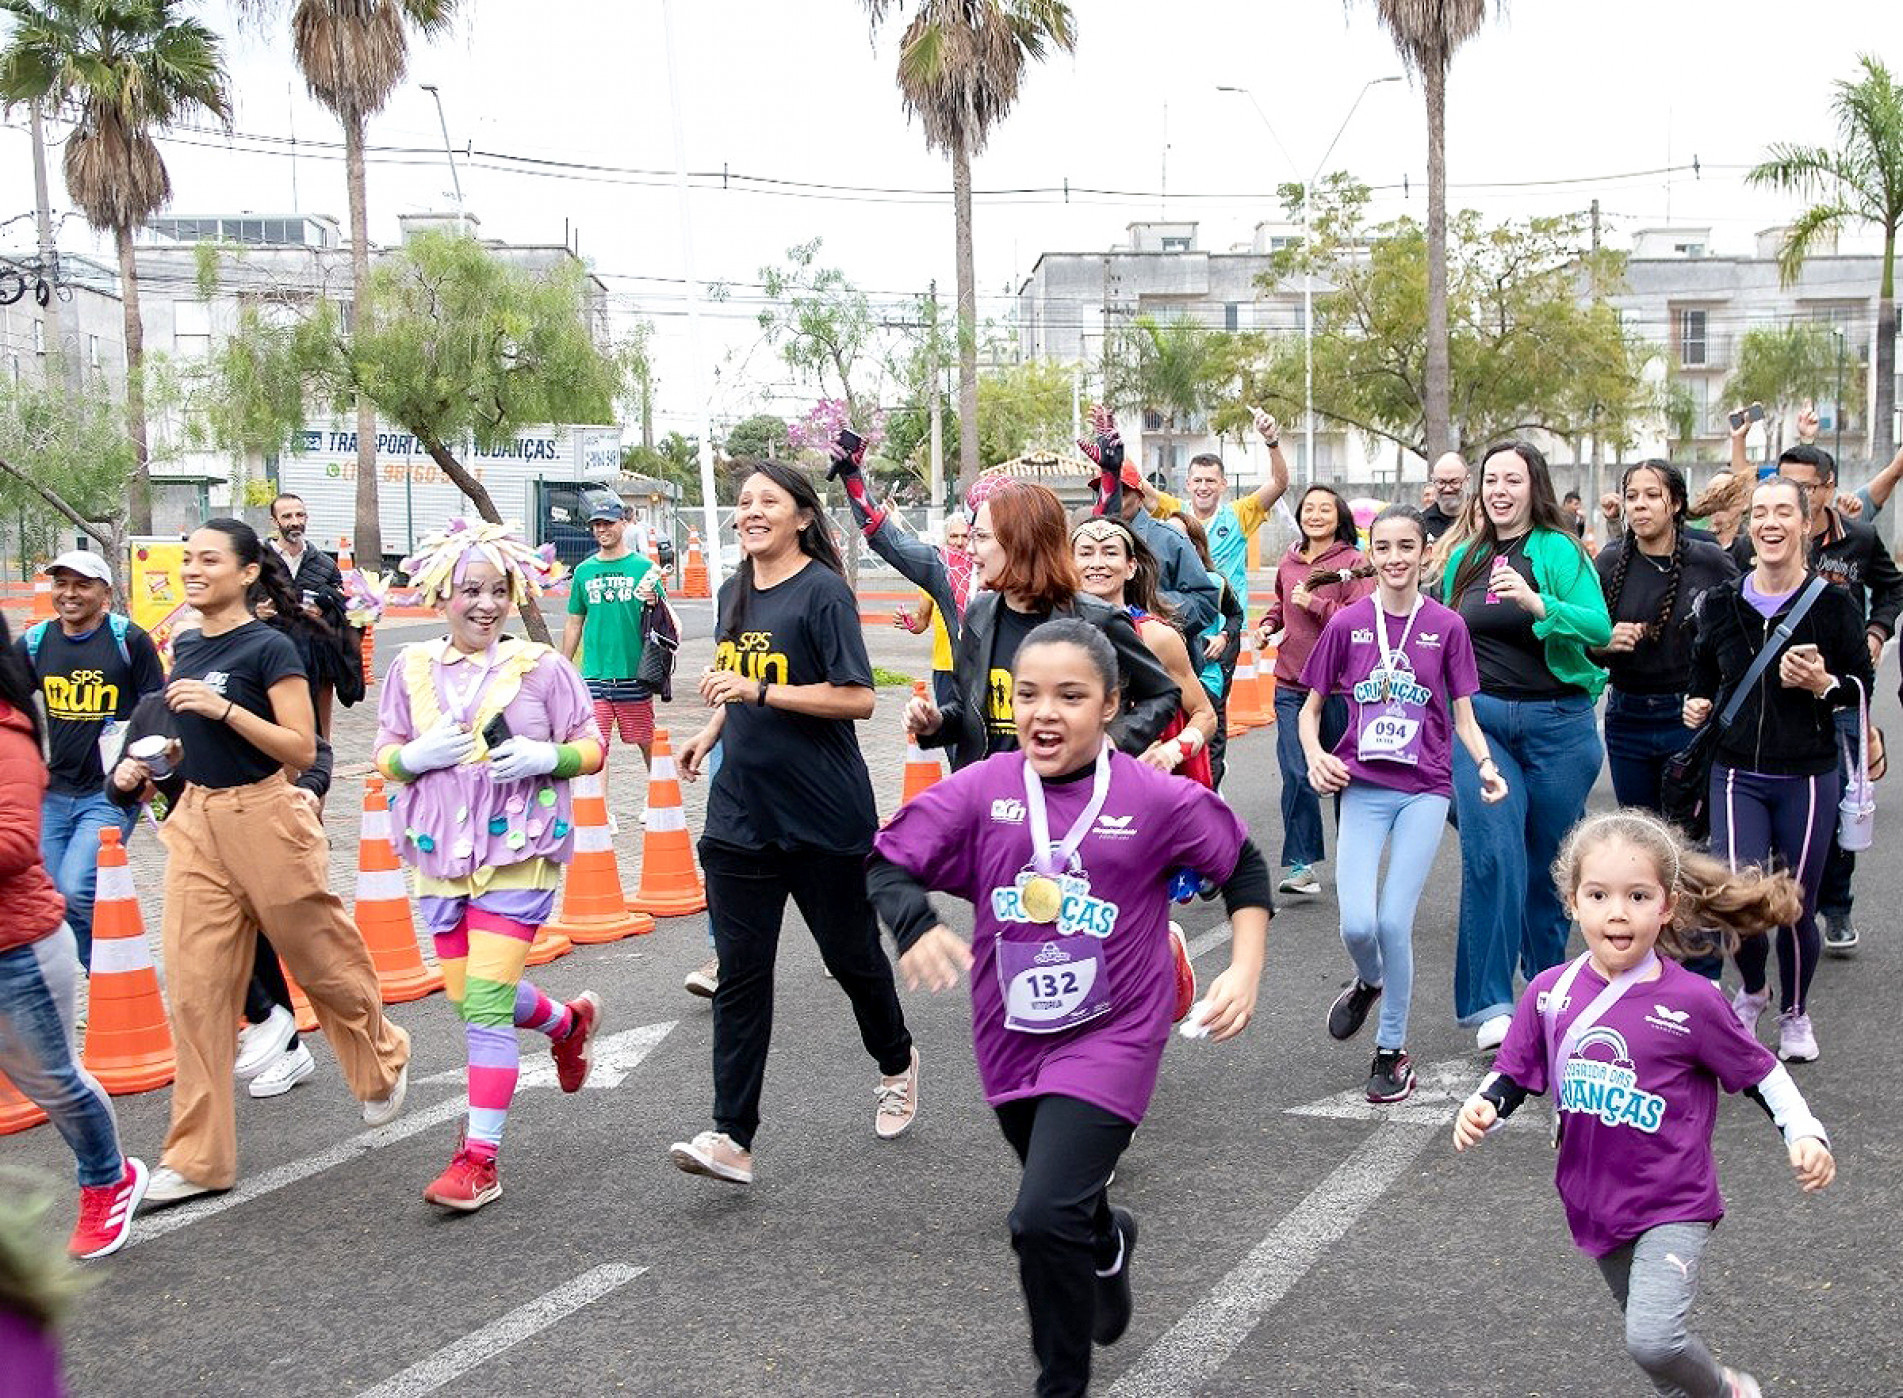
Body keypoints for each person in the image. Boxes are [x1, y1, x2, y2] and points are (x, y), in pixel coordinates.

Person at [867, 618, 1270, 1398]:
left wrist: (1244, 970)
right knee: (1064, 1207)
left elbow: (1242, 867)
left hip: (1115, 1031)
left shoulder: (1152, 798)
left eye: (1069, 696)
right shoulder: (984, 788)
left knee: (1037, 1217)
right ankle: (1107, 1241)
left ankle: (1061, 1383)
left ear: (1111, 704)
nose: (1043, 713)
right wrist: (913, 924)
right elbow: (887, 861)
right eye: (1026, 695)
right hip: (1010, 1031)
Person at [1454, 812, 1834, 1398]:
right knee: (1657, 1346)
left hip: (1673, 1201)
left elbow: (1762, 1073)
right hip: (1593, 1199)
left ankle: (1728, 1391)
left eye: (1637, 896)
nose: (1617, 912)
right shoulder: (1547, 991)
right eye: (1598, 895)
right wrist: (1484, 1106)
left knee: (1654, 1339)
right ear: (1573, 903)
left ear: (1667, 906)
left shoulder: (1693, 1000)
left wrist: (1804, 1132)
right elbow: (1514, 1072)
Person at [116, 518, 410, 1209]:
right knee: (195, 992)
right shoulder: (186, 645)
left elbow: (301, 749)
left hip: (267, 817)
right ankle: (197, 1158)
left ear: (246, 573)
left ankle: (382, 1060)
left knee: (323, 966)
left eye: (206, 560)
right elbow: (189, 738)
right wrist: (150, 764)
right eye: (186, 559)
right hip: (197, 824)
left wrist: (222, 710)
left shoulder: (268, 647)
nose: (191, 570)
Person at [669, 461, 921, 1187]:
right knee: (741, 979)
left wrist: (758, 689)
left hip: (821, 814)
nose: (750, 512)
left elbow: (857, 700)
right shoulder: (732, 592)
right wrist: (715, 726)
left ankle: (896, 1058)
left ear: (802, 516)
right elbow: (738, 678)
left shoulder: (823, 593)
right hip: (741, 815)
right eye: (743, 503)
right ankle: (731, 1136)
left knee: (851, 960)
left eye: (766, 502)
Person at [375, 518, 606, 1211]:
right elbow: (385, 752)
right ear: (442, 594)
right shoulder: (410, 668)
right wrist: (412, 759)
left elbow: (592, 746)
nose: (484, 604)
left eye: (497, 591)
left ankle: (478, 1160)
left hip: (520, 854)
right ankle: (568, 1024)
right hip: (438, 857)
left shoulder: (542, 667)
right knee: (472, 998)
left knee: (482, 1007)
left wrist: (550, 758)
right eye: (469, 590)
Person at [1300, 505, 1506, 1102]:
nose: (1395, 558)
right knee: (1357, 922)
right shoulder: (1346, 624)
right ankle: (1369, 982)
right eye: (1383, 547)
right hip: (1361, 787)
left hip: (1424, 787)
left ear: (1424, 554)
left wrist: (1488, 766)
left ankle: (1392, 1051)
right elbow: (1310, 712)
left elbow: (1463, 716)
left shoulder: (1447, 626)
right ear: (1371, 553)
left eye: (1406, 547)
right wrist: (1316, 755)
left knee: (1393, 922)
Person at [1685, 477, 1874, 1064]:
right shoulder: (1720, 605)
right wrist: (1694, 705)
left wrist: (1825, 686)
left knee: (1792, 904)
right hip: (1737, 772)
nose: (1769, 523)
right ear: (1748, 525)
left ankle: (1795, 1012)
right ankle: (1753, 989)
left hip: (1808, 777)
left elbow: (1858, 689)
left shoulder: (1833, 604)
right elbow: (1702, 684)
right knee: (1739, 898)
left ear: (1803, 522)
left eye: (1782, 513)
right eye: (1759, 513)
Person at [1441, 441, 1611, 1050]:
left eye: (1512, 479)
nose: (1498, 489)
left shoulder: (1558, 549)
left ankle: (1549, 988)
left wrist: (1538, 603)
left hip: (1557, 725)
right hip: (1480, 724)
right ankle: (1490, 1000)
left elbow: (1600, 628)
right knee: (1491, 852)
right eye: (1491, 479)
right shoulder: (1464, 556)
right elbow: (1436, 631)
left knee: (1549, 868)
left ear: (1532, 485)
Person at [0, 613, 147, 1259]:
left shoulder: (7, 735)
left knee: (54, 1082)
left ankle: (108, 1178)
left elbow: (11, 842)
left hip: (18, 951)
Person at [906, 482, 1179, 773]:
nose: (970, 550)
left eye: (982, 538)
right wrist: (934, 723)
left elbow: (1163, 694)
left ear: (1020, 542)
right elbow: (967, 711)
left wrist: (1112, 740)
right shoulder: (978, 615)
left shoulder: (1097, 620)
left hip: (1070, 801)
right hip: (993, 802)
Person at [1762, 444, 1902, 958]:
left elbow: (1892, 589)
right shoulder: (1768, 536)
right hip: (1775, 696)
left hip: (1840, 695)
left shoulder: (1858, 539)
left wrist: (1877, 631)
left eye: (1802, 487)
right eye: (1782, 483)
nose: (1790, 497)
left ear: (1826, 487)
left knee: (1841, 803)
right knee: (1777, 799)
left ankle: (1835, 904)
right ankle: (1782, 899)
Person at [17, 551, 163, 972]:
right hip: (54, 790)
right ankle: (108, 977)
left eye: (82, 585)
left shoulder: (127, 640)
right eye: (61, 584)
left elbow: (158, 708)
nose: (69, 594)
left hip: (110, 790)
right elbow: (10, 699)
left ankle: (117, 971)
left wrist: (147, 771)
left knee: (79, 886)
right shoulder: (36, 641)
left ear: (105, 592)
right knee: (51, 893)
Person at [1141, 409, 1291, 778]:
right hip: (1180, 631)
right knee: (1175, 708)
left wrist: (1271, 440)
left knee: (1211, 713)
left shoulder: (1239, 515)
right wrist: (1109, 438)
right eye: (1197, 480)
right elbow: (1134, 487)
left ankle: (1212, 781)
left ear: (1223, 484)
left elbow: (1279, 482)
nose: (1204, 486)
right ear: (1187, 484)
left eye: (1211, 480)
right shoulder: (1172, 513)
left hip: (1223, 633)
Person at [1594, 461, 1739, 816]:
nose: (1639, 505)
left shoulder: (1709, 561)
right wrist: (1602, 642)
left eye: (1651, 495)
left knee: (1688, 835)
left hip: (1690, 717)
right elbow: (1579, 643)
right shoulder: (1609, 563)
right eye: (1632, 496)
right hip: (1626, 717)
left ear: (1674, 503)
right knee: (1641, 835)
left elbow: (1741, 631)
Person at [1256, 484, 1372, 897]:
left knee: (1344, 777)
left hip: (1340, 687)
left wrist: (1316, 605)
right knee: (1295, 771)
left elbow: (1360, 622)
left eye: (1325, 509)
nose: (1316, 515)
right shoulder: (1288, 561)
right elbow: (1280, 603)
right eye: (1309, 508)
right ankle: (1302, 866)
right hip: (1291, 681)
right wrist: (1269, 626)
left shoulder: (1355, 563)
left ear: (1339, 517)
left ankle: (1355, 859)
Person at [1070, 517, 1217, 782]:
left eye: (1110, 552)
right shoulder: (1052, 633)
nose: (1097, 563)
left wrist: (1173, 751)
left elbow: (1204, 714)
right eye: (1086, 552)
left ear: (1131, 567)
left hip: (1139, 786)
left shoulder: (1156, 637)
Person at [560, 495, 665, 805]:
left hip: (634, 673)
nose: (601, 529)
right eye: (596, 524)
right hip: (594, 674)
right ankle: (599, 810)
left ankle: (658, 797)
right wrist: (564, 667)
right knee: (595, 744)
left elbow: (663, 618)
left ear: (623, 523)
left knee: (645, 739)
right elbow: (574, 622)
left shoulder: (644, 568)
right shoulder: (583, 571)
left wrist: (653, 601)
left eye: (607, 523)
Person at [267, 493, 352, 738]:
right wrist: (258, 611)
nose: (295, 522)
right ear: (275, 521)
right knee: (276, 730)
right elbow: (238, 605)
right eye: (287, 516)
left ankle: (319, 774)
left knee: (318, 734)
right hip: (271, 659)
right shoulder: (258, 561)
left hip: (317, 661)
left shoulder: (325, 565)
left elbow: (341, 611)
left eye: (300, 515)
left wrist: (325, 611)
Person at [1421, 453, 1470, 544]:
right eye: (1441, 482)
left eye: (1454, 482)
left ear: (1467, 481)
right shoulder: (1422, 524)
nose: (1447, 489)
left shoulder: (1482, 518)